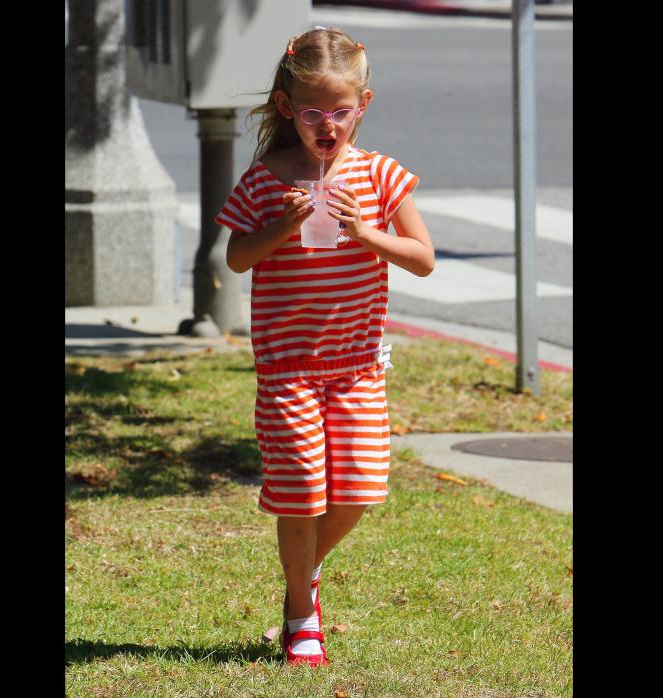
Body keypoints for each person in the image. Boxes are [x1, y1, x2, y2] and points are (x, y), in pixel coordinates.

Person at [215, 26, 435, 667]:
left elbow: (422, 259)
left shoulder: (380, 175)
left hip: (358, 366)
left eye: (340, 111)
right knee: (303, 488)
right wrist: (280, 228)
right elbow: (236, 258)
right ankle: (298, 614)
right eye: (313, 112)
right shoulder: (265, 181)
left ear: (363, 105)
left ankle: (301, 576)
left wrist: (367, 233)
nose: (327, 125)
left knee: (359, 489)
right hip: (289, 368)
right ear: (287, 108)